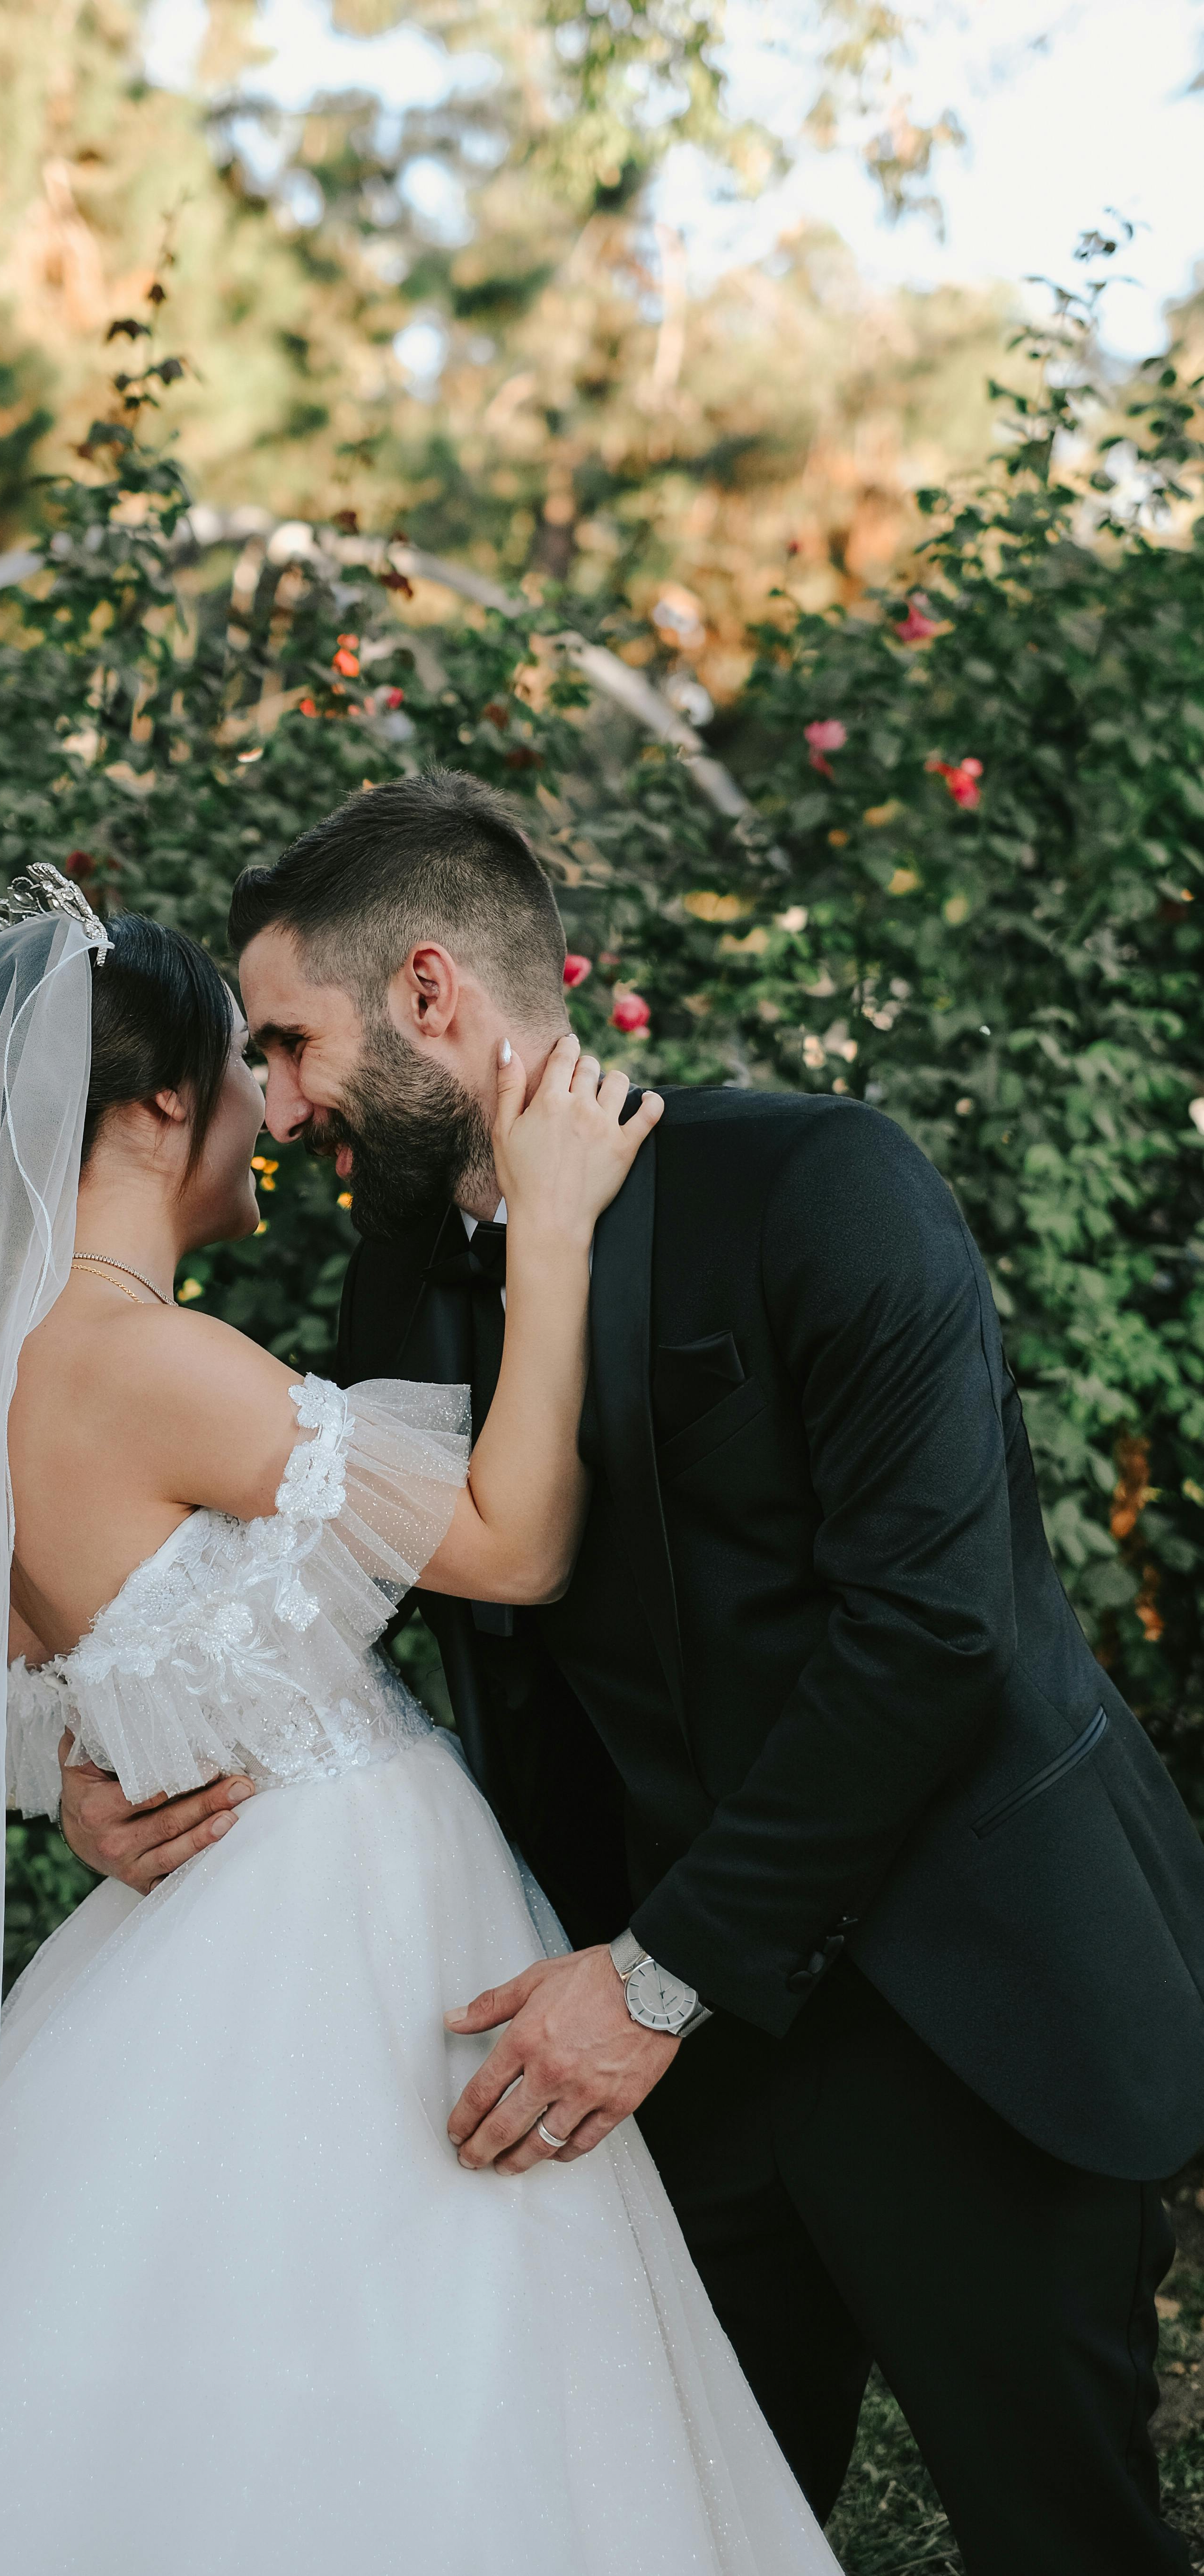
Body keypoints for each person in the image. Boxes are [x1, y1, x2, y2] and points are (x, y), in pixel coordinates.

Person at [0, 868, 840, 2576]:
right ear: (153, 1107)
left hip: (202, 1909)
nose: (271, 1115)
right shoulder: (140, 1356)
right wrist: (558, 1232)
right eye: (241, 1074)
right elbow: (520, 1541)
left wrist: (68, 1776)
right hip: (329, 1929)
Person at [71, 769, 1204, 2576]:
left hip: (958, 2004)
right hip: (650, 2060)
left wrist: (659, 1980)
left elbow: (931, 1631)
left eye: (289, 1044)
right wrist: (116, 1751)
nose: (272, 1110)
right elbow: (369, 1614)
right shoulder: (400, 1288)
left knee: (1062, 2536)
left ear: (430, 994)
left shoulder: (818, 1188)